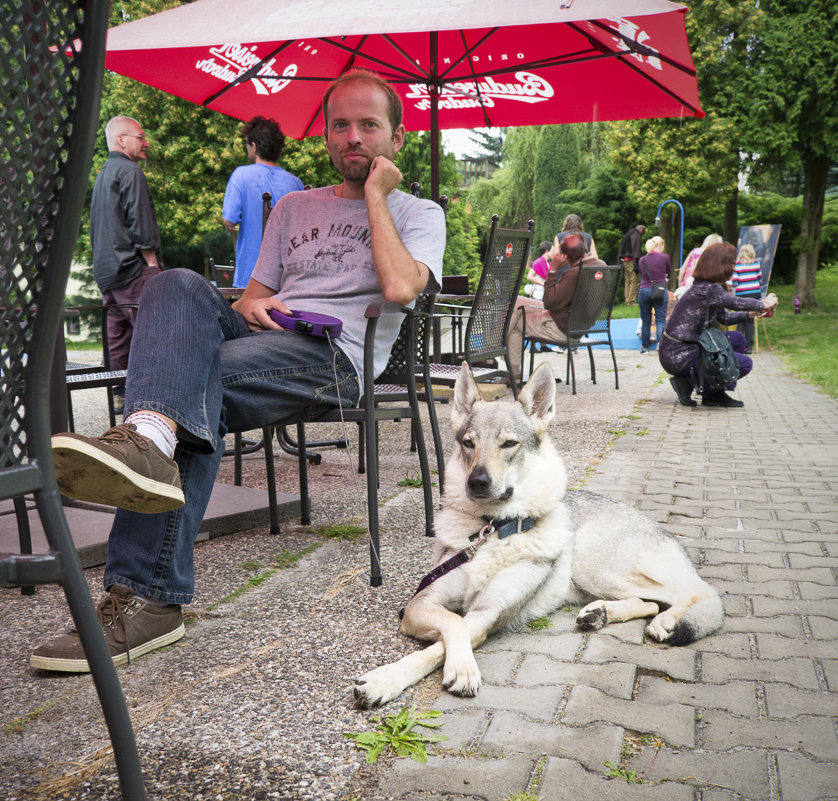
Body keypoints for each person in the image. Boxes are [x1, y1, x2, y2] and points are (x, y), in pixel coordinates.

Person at [34, 69, 446, 672]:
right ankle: (147, 448)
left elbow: (400, 287)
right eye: (339, 125)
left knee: (186, 393)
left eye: (368, 125)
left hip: (335, 358)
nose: (352, 137)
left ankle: (143, 593)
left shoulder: (418, 212)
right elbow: (251, 297)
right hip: (265, 336)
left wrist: (378, 198)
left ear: (397, 139)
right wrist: (249, 304)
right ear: (326, 136)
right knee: (172, 283)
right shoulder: (293, 208)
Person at [90, 116, 163, 415]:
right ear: (121, 140)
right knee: (155, 335)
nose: (145, 143)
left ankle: (120, 401)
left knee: (118, 341)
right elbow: (140, 221)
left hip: (107, 272)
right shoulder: (130, 171)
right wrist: (152, 265)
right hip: (132, 269)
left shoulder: (104, 173)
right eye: (140, 136)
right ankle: (157, 405)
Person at [659, 242, 777, 409]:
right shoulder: (707, 290)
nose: (734, 267)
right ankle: (686, 381)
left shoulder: (706, 287)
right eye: (732, 263)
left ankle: (713, 394)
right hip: (679, 354)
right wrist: (763, 304)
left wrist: (751, 313)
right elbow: (735, 302)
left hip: (680, 349)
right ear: (721, 265)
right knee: (744, 364)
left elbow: (725, 318)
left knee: (737, 339)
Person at [507, 233, 605, 384]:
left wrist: (553, 269)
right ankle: (491, 356)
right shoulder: (602, 267)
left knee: (516, 322)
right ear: (585, 247)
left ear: (566, 256)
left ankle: (510, 373)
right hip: (578, 325)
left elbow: (549, 302)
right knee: (517, 302)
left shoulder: (574, 273)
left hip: (563, 328)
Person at [222, 116, 304, 287]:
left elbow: (229, 220)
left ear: (254, 146)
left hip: (251, 277)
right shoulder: (295, 182)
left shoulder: (241, 175)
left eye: (247, 145)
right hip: (287, 278)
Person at [637, 235, 671, 353]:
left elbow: (642, 275)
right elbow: (669, 273)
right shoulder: (665, 258)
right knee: (660, 319)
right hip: (660, 290)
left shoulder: (642, 259)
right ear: (660, 245)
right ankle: (660, 345)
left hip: (644, 291)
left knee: (645, 320)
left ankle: (645, 347)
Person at [730, 243, 763, 353]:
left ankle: (739, 346)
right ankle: (749, 347)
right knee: (750, 320)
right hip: (754, 294)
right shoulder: (756, 264)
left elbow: (734, 282)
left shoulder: (738, 266)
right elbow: (760, 278)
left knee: (740, 319)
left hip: (742, 295)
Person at [618, 223, 646, 305]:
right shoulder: (636, 233)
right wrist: (637, 260)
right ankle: (631, 301)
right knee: (635, 279)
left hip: (624, 260)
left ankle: (627, 300)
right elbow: (636, 247)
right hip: (631, 260)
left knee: (628, 280)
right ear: (641, 230)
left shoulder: (627, 234)